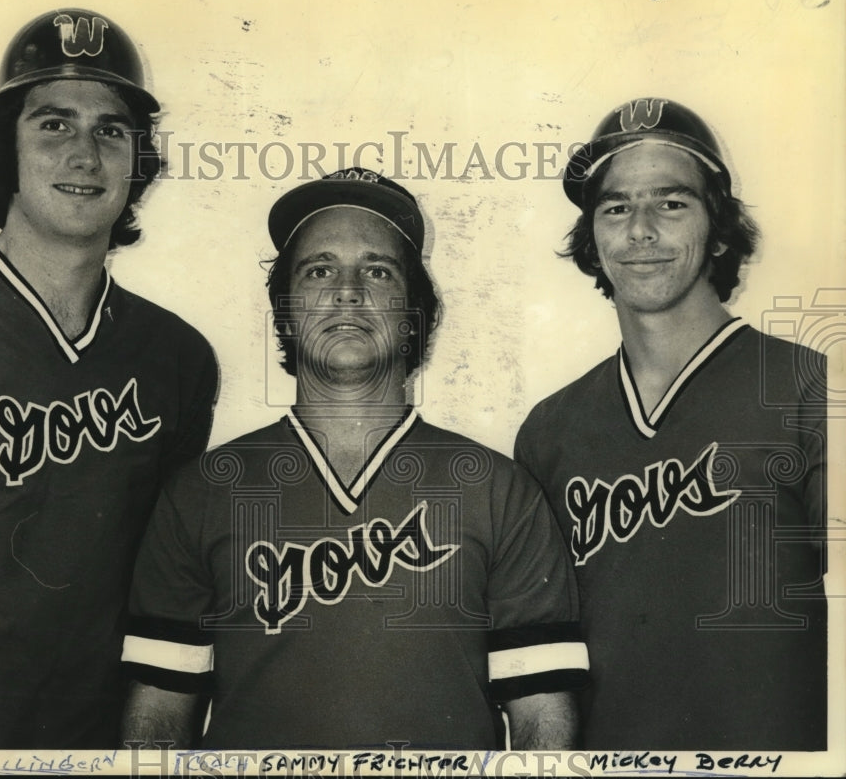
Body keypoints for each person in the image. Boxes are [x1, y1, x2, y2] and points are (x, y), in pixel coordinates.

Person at [119, 168, 589, 750]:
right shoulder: (204, 490)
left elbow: (543, 714)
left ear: (414, 311)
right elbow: (159, 712)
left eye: (377, 270)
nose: (347, 290)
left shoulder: (498, 489)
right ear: (285, 312)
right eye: (319, 270)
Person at [0, 8, 219, 749]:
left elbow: (170, 590)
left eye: (112, 130)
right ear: (6, 148)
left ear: (139, 160)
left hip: (90, 742)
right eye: (54, 125)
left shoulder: (178, 356)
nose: (85, 156)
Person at [514, 98, 827, 750]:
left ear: (718, 228)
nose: (641, 231)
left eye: (672, 202)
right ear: (593, 240)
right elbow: (545, 668)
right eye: (617, 207)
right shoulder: (548, 431)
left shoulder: (812, 390)